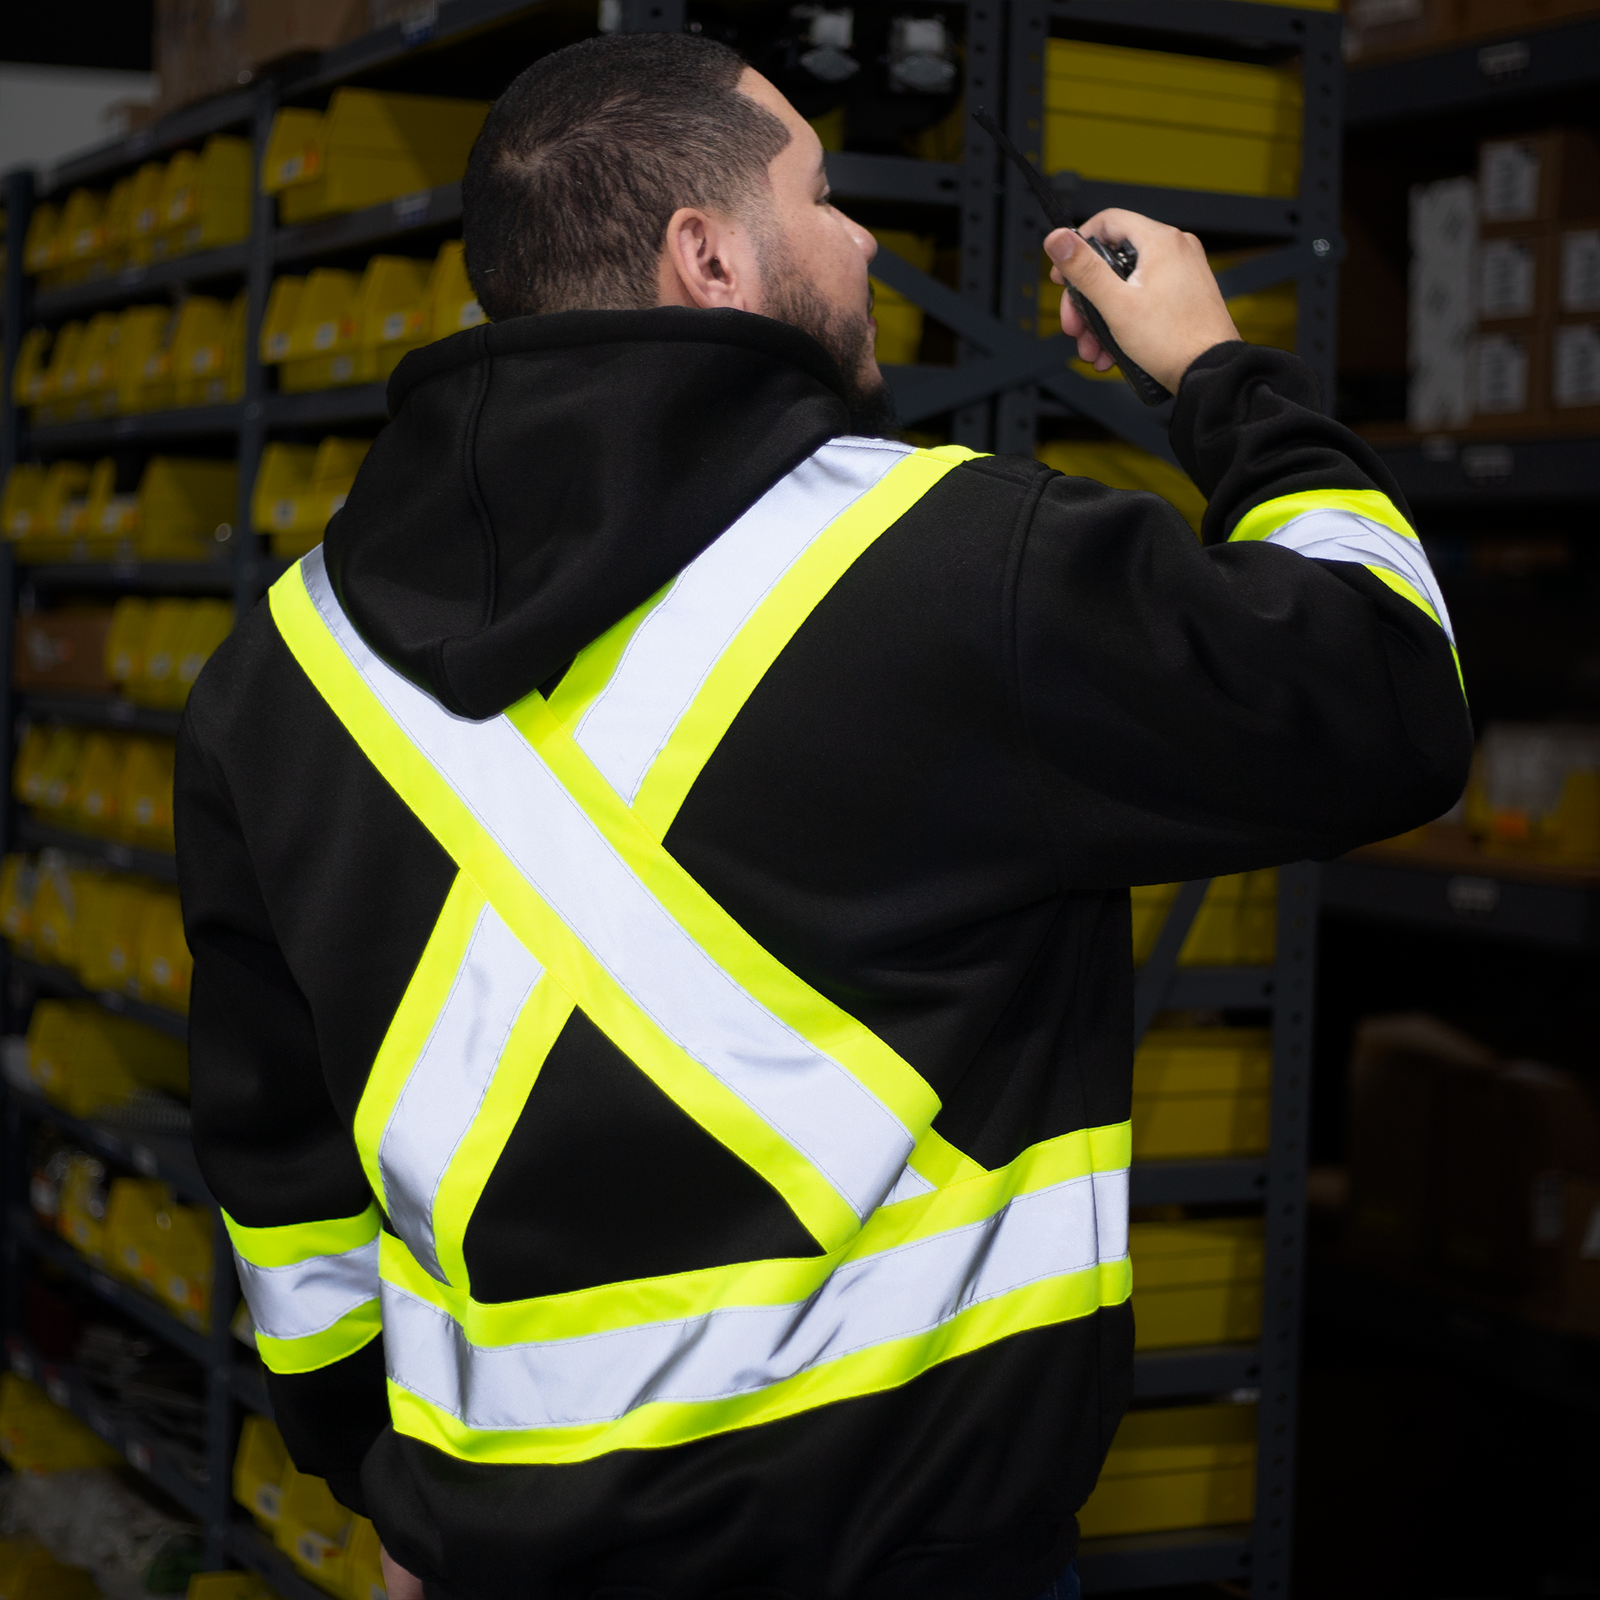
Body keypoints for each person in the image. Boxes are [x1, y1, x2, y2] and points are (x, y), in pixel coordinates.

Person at [176, 30, 1470, 1600]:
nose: (862, 238)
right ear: (707, 255)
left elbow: (284, 1188)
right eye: (824, 192)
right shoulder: (960, 568)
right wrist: (1217, 374)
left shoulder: (279, 671)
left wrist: (384, 1489)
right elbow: (1388, 692)